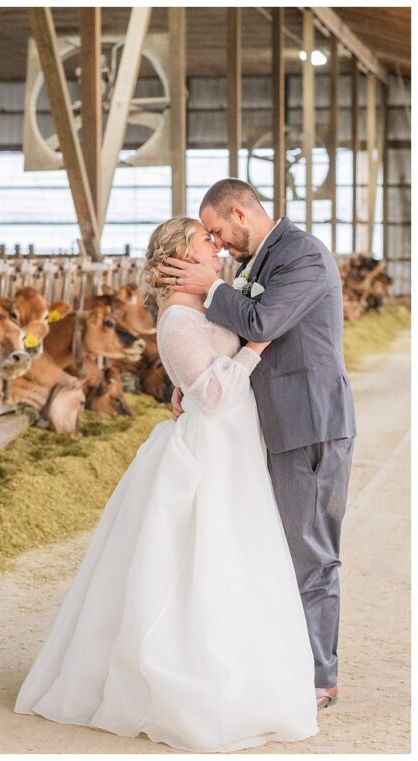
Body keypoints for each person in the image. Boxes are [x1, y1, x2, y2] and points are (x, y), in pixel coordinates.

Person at [15, 217, 318, 752]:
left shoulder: (201, 308)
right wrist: (255, 348)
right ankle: (190, 678)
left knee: (241, 560)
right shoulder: (177, 318)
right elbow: (212, 396)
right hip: (212, 450)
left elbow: (202, 380)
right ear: (180, 254)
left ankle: (242, 671)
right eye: (207, 240)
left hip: (235, 447)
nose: (217, 244)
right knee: (206, 561)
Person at [159, 179, 355, 710]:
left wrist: (213, 285)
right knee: (279, 549)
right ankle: (288, 661)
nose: (218, 246)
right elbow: (238, 339)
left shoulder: (302, 256)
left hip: (307, 422)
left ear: (240, 214)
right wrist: (192, 376)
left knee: (309, 553)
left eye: (220, 232)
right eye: (210, 241)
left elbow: (262, 322)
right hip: (272, 423)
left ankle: (319, 677)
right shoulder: (261, 260)